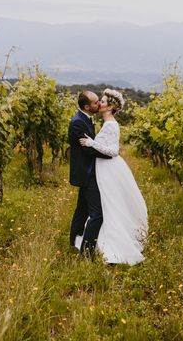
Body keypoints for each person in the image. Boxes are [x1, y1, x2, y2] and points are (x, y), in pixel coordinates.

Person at [78, 88, 148, 265]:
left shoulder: (110, 124)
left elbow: (113, 151)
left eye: (102, 101)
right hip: (105, 168)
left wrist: (91, 143)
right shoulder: (108, 122)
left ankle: (113, 245)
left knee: (110, 205)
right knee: (108, 206)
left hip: (108, 169)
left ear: (110, 107)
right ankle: (100, 241)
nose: (99, 104)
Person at [68, 91, 113, 259]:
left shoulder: (85, 119)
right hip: (86, 173)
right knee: (97, 214)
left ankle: (74, 241)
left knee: (82, 210)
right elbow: (88, 150)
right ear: (87, 107)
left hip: (90, 171)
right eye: (96, 103)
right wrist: (110, 154)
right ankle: (86, 253)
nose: (99, 105)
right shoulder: (78, 123)